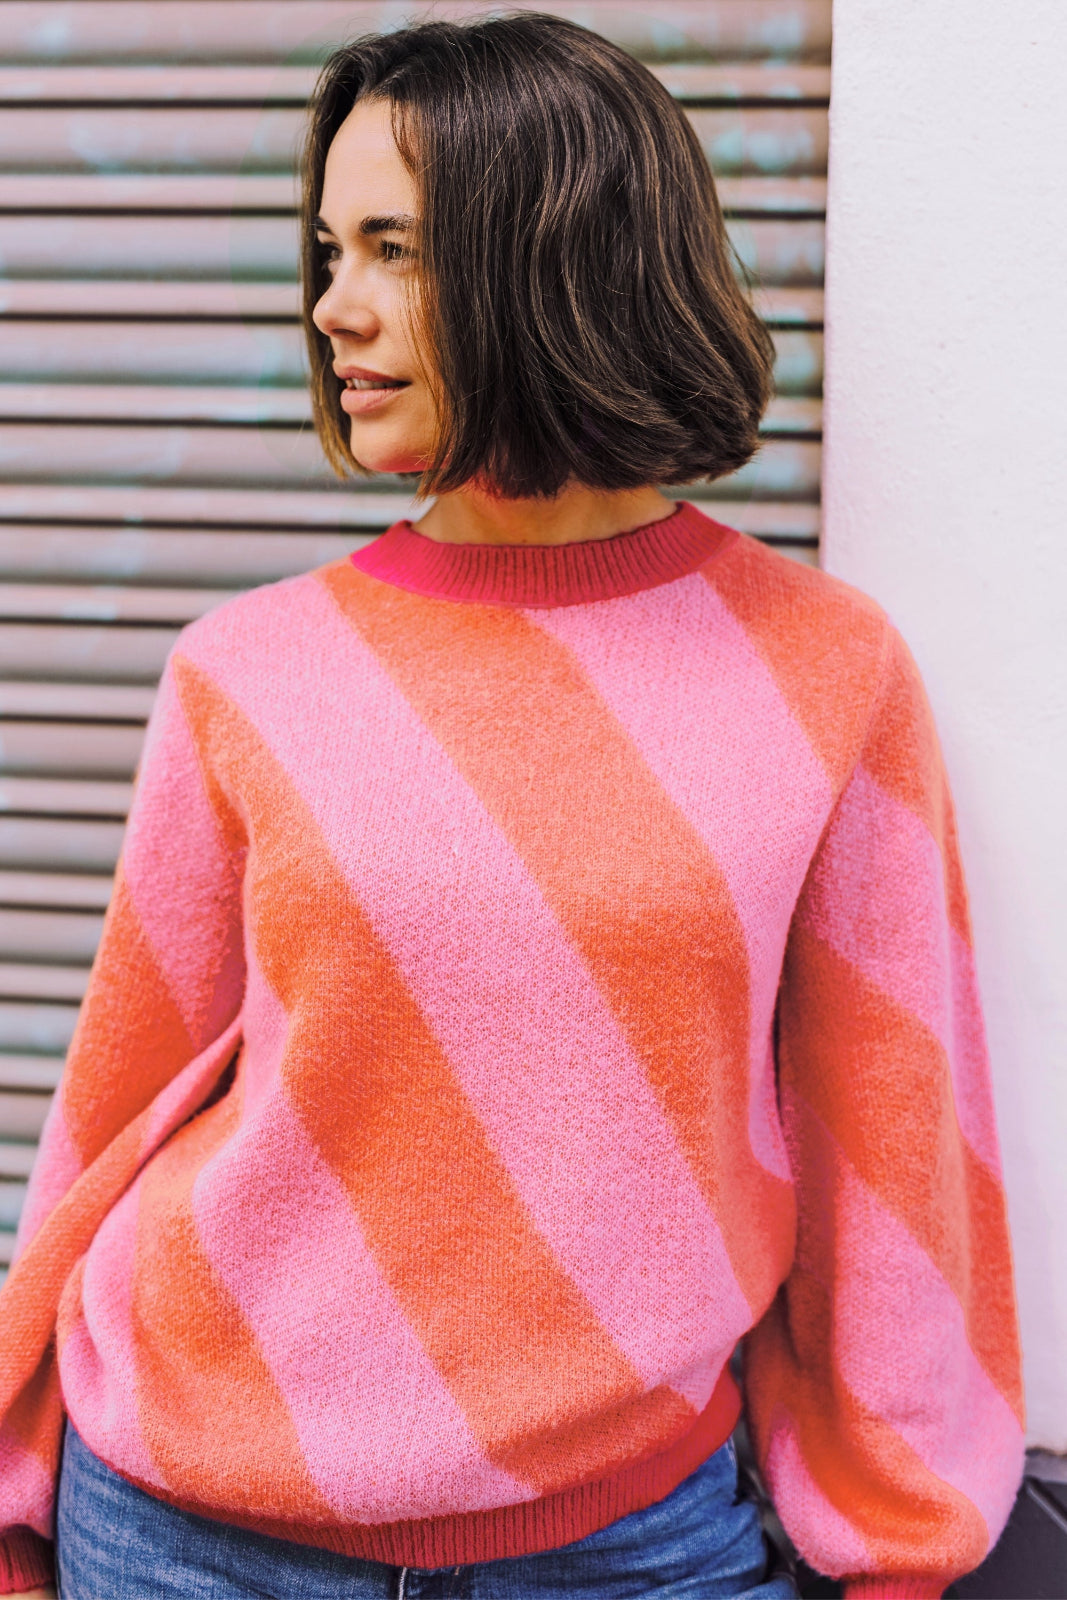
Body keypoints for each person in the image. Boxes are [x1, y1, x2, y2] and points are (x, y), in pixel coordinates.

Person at [0, 13, 1024, 1599]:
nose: (331, 308)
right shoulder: (246, 671)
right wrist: (16, 1506)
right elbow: (114, 1113)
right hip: (184, 1533)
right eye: (328, 250)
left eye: (393, 249)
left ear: (560, 258)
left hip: (628, 1546)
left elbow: (889, 1154)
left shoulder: (825, 673)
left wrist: (898, 1555)